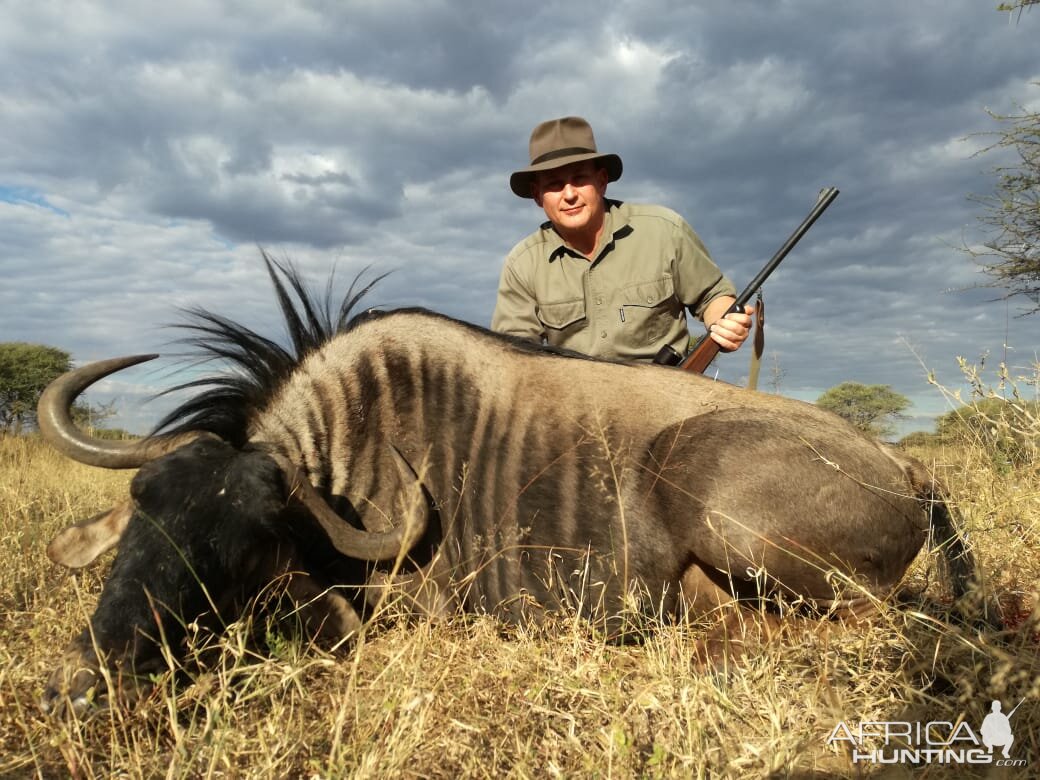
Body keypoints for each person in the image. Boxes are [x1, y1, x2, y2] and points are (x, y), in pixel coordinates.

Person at [491, 116, 754, 362]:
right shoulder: (522, 263)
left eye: (580, 178)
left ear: (602, 181)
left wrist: (726, 322)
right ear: (538, 196)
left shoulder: (664, 230)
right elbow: (513, 355)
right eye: (554, 184)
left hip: (667, 392)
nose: (569, 194)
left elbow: (713, 296)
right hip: (574, 403)